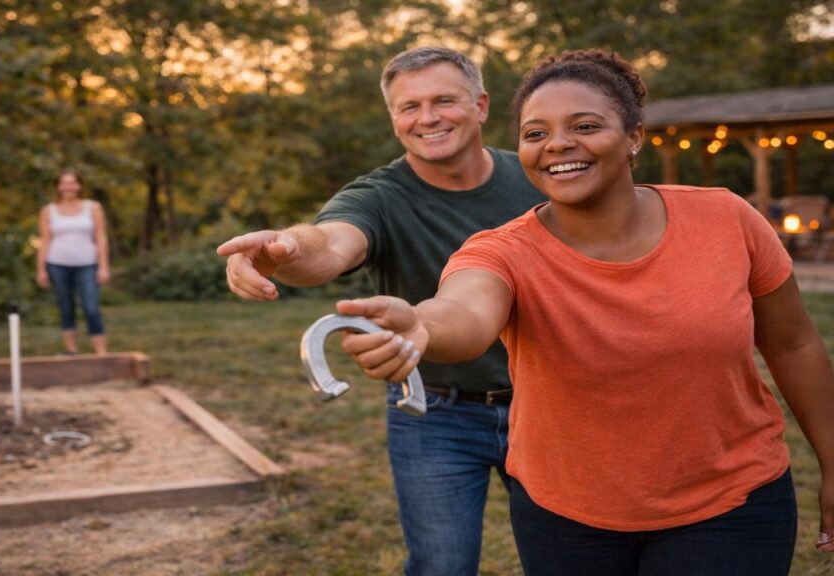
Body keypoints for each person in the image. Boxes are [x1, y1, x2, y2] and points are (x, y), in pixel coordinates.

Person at [337, 49, 834, 575]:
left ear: (634, 136)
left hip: (731, 506)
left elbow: (793, 343)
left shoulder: (725, 218)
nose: (558, 144)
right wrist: (421, 327)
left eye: (585, 125)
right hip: (566, 517)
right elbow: (464, 312)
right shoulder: (500, 250)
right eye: (535, 133)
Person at [217, 46, 544, 575]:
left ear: (481, 105)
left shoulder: (536, 179)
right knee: (440, 565)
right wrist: (286, 250)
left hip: (548, 405)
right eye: (408, 107)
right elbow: (330, 245)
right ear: (394, 119)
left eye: (444, 100)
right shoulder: (378, 196)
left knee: (573, 560)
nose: (427, 118)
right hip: (433, 411)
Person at [36, 168, 111, 355]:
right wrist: (41, 269)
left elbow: (101, 237)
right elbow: (44, 240)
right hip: (57, 263)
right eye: (64, 183)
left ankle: (101, 352)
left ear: (79, 186)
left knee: (91, 307)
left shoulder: (93, 207)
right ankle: (71, 350)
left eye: (72, 182)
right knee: (66, 306)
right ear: (58, 187)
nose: (68, 187)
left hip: (87, 263)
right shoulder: (48, 211)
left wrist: (103, 266)